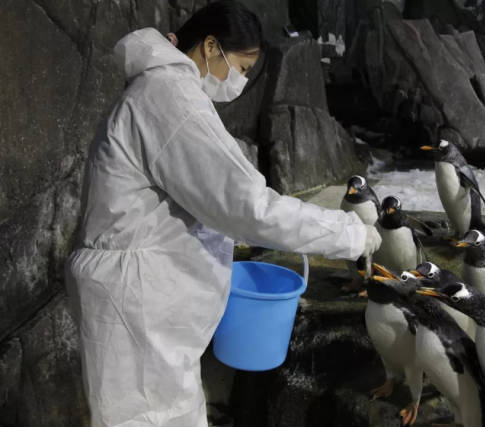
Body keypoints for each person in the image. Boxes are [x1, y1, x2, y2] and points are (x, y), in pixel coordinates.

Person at [65, 1, 381, 426]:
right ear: (211, 47)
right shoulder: (170, 101)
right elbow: (247, 206)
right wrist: (349, 234)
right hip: (138, 302)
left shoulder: (165, 94)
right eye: (243, 66)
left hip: (143, 298)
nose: (242, 81)